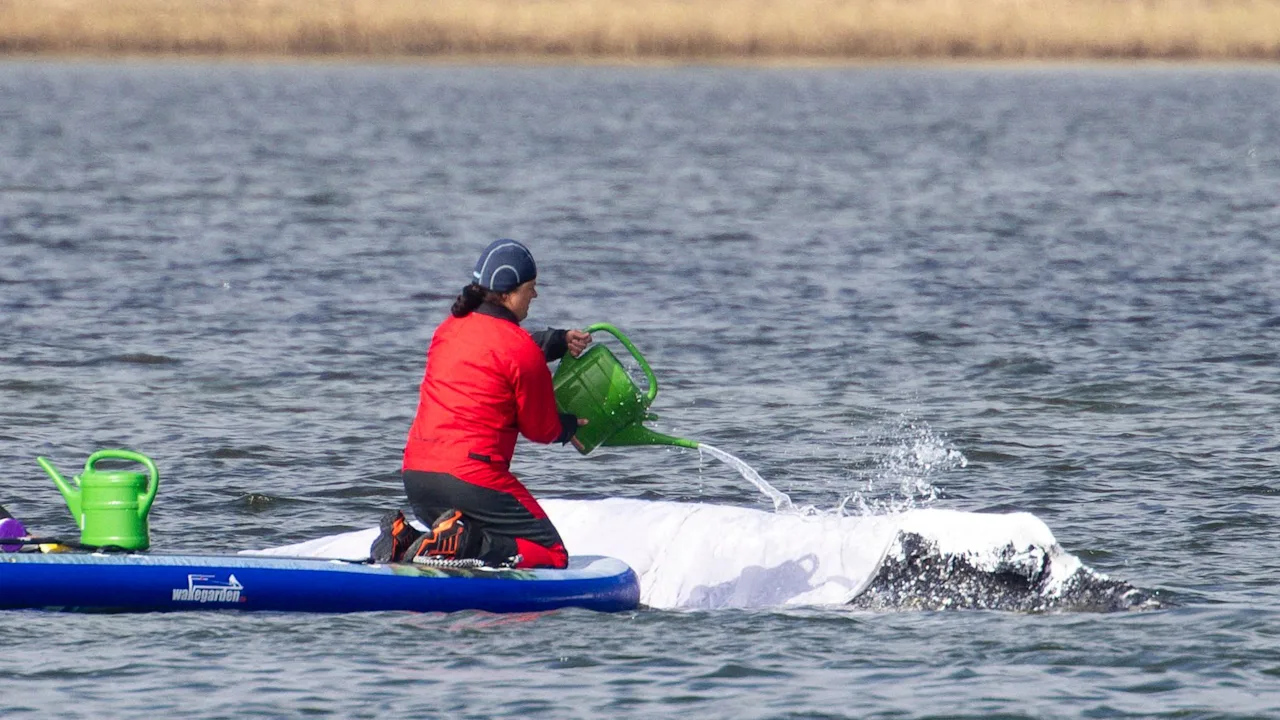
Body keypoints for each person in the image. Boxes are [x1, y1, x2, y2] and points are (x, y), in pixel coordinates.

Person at [370, 239, 591, 569]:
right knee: (552, 554)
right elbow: (540, 428)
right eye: (531, 287)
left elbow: (495, 350)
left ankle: (406, 540)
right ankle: (463, 543)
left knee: (469, 534)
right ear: (506, 294)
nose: (535, 295)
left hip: (418, 477)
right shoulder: (519, 350)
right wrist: (569, 427)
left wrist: (555, 341)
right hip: (471, 479)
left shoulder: (448, 330)